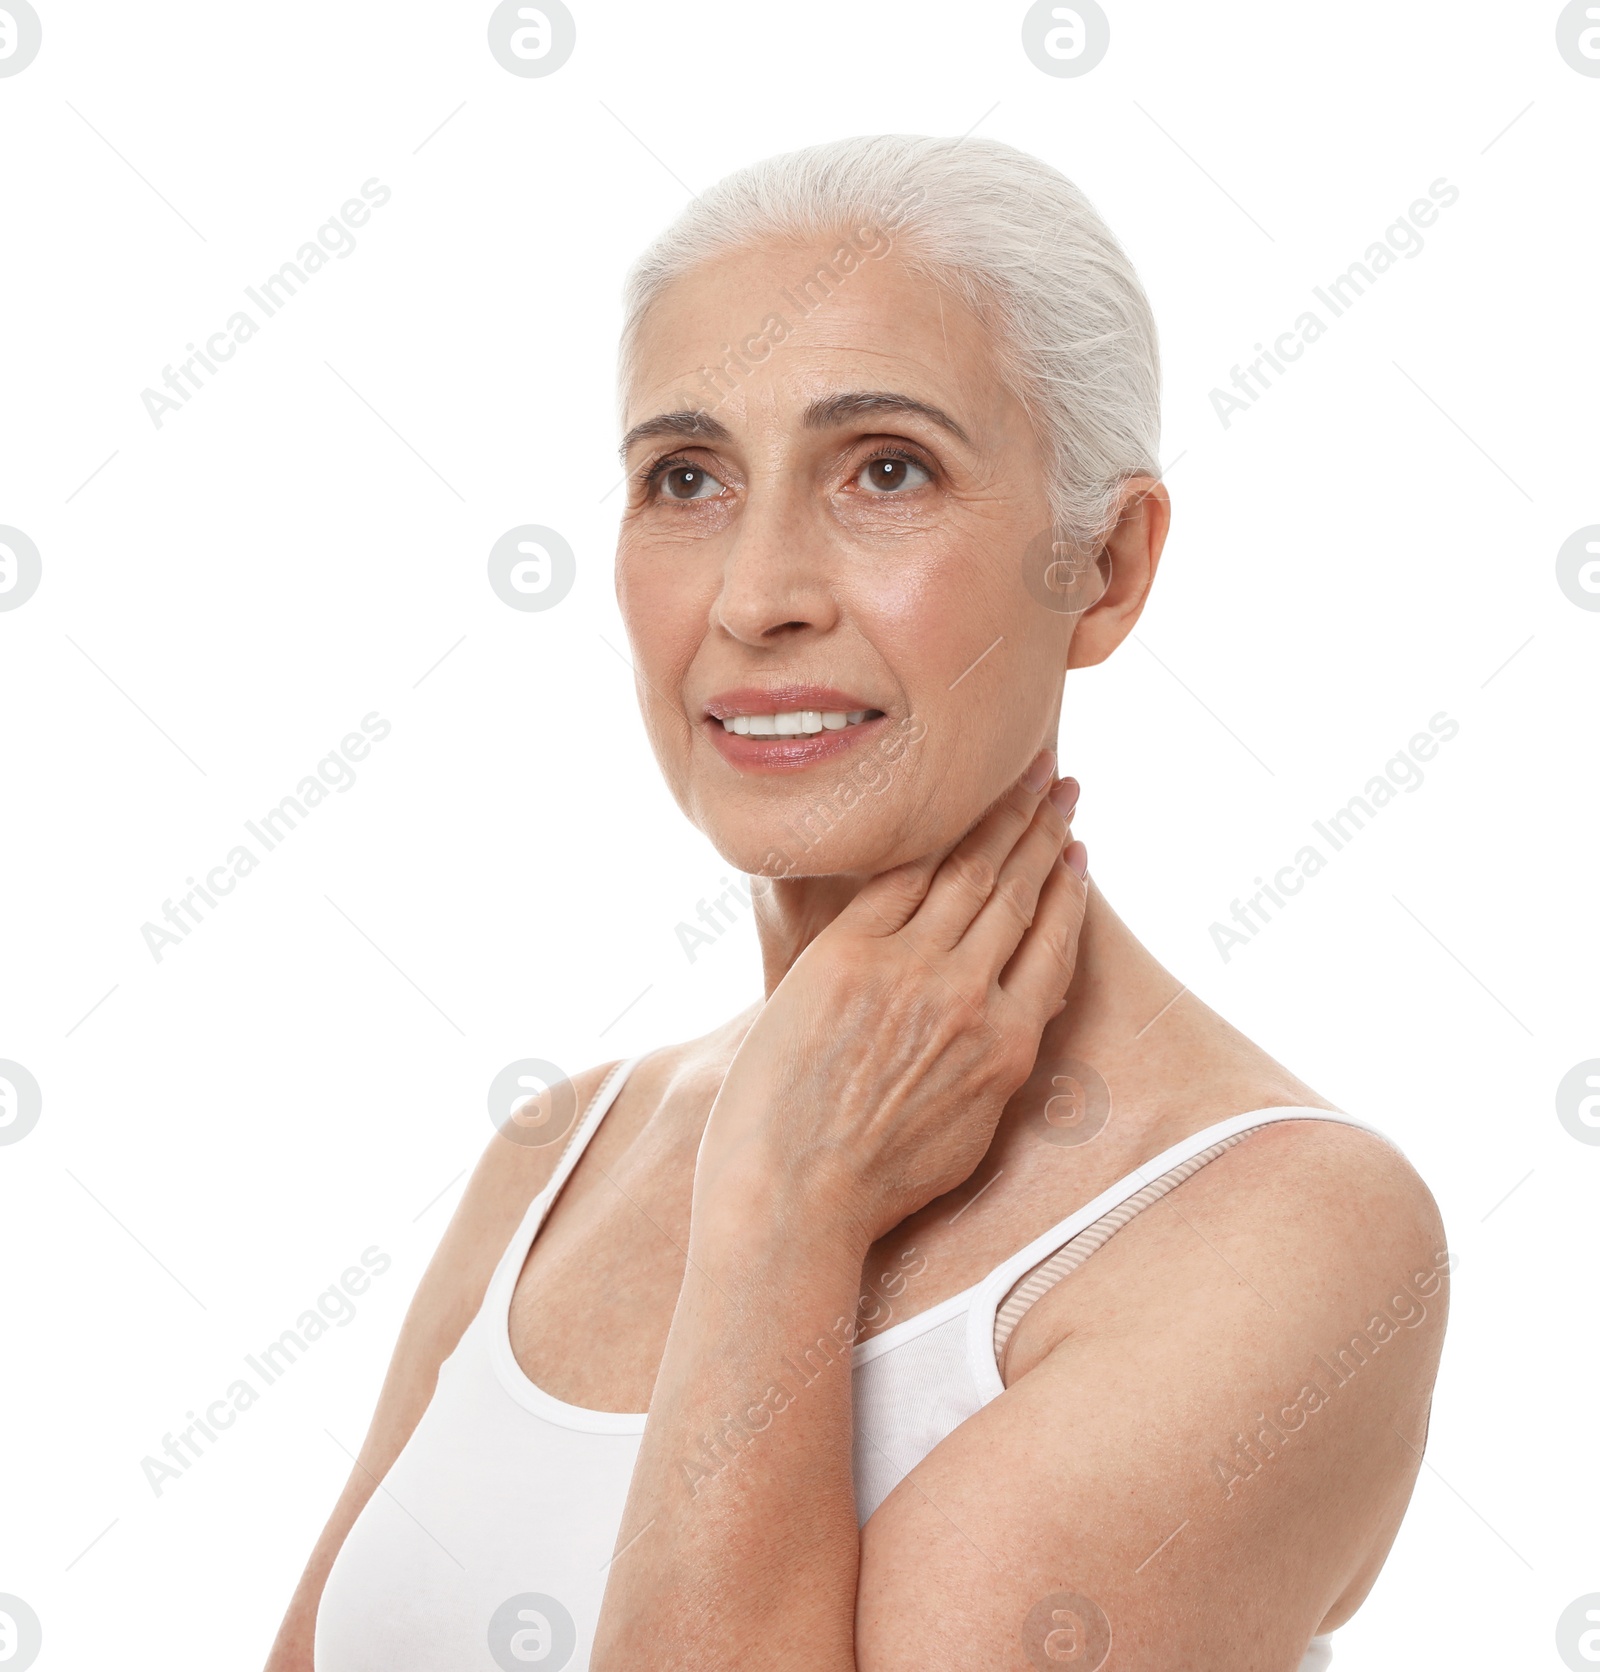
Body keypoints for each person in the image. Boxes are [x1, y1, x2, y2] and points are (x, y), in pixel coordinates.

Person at [267, 134, 1447, 1672]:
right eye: (684, 478)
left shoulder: (1283, 1233)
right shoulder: (562, 1160)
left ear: (1103, 567)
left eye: (886, 469)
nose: (757, 595)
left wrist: (784, 1213)